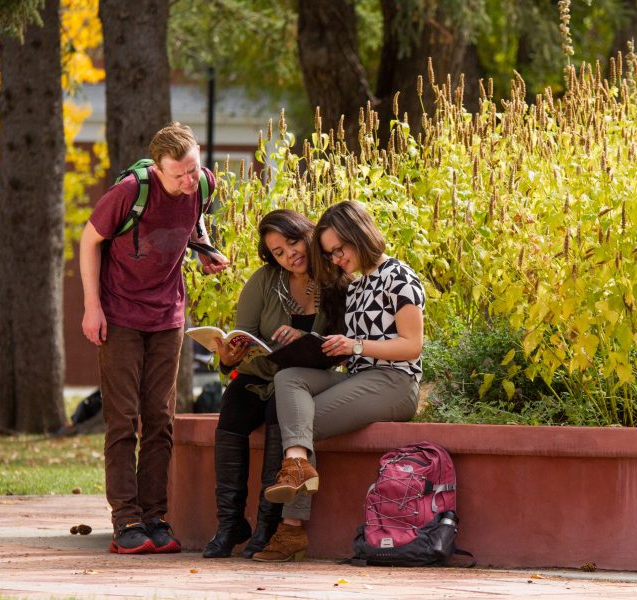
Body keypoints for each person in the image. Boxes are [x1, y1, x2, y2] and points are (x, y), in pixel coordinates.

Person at [80, 122, 229, 554]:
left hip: (167, 315)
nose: (188, 180)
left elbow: (194, 220)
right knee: (123, 418)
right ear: (158, 169)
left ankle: (155, 518)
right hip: (121, 313)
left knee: (161, 420)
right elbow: (89, 241)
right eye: (178, 174)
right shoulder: (130, 192)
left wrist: (204, 250)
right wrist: (92, 307)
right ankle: (125, 520)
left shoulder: (201, 183)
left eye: (193, 169)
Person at [253, 200, 426, 563]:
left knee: (303, 424)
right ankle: (297, 464)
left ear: (359, 235)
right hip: (361, 376)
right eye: (330, 253)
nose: (334, 259)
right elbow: (353, 348)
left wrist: (357, 344)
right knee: (290, 377)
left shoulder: (401, 277)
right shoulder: (358, 285)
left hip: (395, 383)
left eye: (338, 250)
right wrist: (313, 345)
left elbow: (412, 346)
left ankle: (291, 531)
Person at [202, 209, 345, 559]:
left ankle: (267, 525)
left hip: (305, 381)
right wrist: (229, 357)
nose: (289, 255)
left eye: (293, 242)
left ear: (308, 234)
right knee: (233, 409)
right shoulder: (265, 280)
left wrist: (306, 337)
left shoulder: (336, 280)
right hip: (261, 373)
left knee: (278, 415)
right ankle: (230, 523)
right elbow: (242, 335)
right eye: (278, 252)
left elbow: (342, 344)